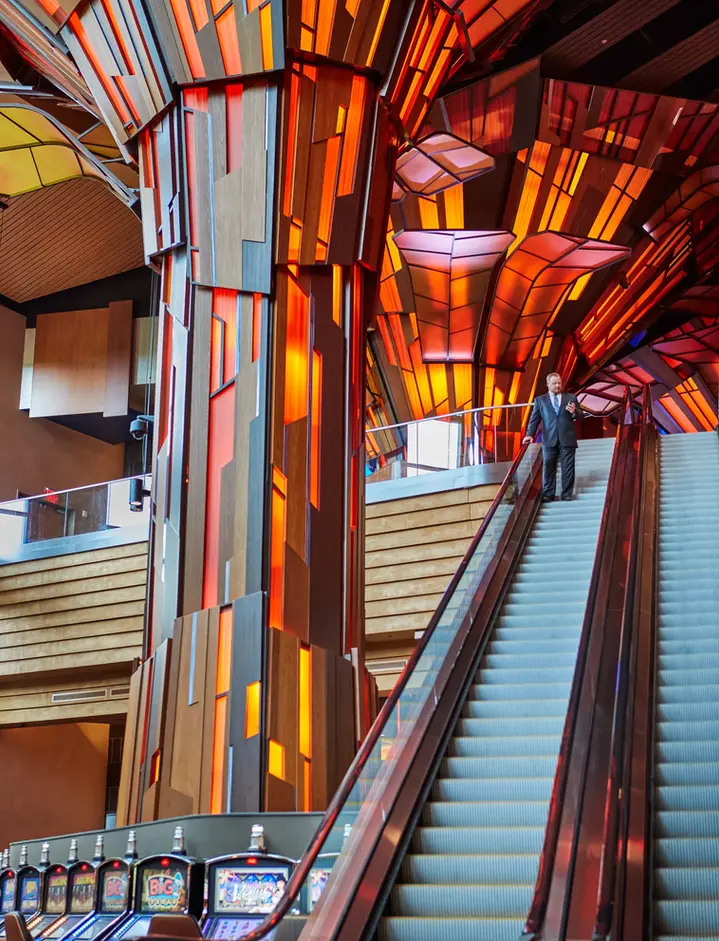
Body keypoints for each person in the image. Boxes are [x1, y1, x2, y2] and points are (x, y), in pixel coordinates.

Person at [523, 372, 583, 502]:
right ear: (548, 384)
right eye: (554, 383)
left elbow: (581, 416)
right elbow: (534, 420)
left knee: (568, 467)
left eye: (559, 383)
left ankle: (566, 493)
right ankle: (548, 494)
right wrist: (529, 435)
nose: (557, 385)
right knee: (548, 466)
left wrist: (574, 412)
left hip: (567, 438)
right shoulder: (540, 400)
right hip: (549, 439)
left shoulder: (571, 397)